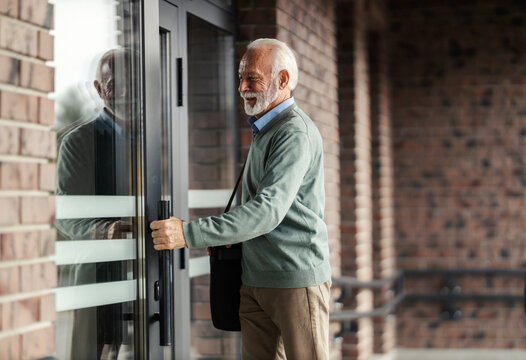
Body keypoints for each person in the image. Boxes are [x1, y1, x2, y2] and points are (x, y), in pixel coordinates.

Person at [151, 38, 331, 360]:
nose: (243, 87)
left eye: (253, 78)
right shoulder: (265, 128)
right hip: (254, 279)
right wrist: (232, 238)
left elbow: (268, 210)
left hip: (294, 280)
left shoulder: (293, 133)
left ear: (283, 80)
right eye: (240, 77)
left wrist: (188, 233)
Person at [56, 48, 134, 359]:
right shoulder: (78, 142)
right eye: (114, 84)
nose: (125, 91)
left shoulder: (156, 138)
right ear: (99, 89)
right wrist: (107, 230)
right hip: (100, 274)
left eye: (131, 82)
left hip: (149, 272)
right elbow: (65, 214)